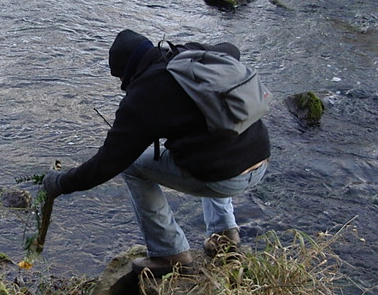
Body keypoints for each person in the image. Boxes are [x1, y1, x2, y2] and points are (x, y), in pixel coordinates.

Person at [42, 29, 270, 276]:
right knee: (214, 136)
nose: (122, 86)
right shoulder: (187, 55)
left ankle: (170, 254)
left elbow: (106, 164)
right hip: (261, 157)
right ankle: (224, 234)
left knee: (132, 166)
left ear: (128, 71)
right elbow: (230, 49)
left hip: (226, 178)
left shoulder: (144, 95)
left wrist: (61, 183)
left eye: (120, 78)